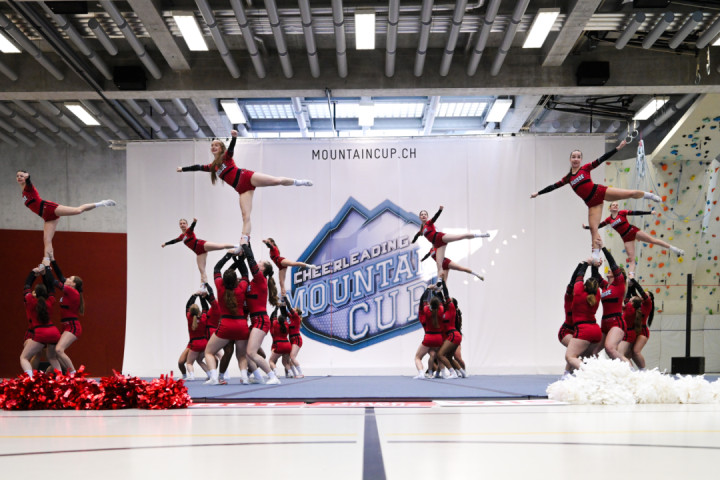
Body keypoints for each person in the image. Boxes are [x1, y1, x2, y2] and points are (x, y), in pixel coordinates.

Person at [530, 140, 661, 262]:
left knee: (629, 193)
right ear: (570, 159)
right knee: (594, 229)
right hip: (592, 204)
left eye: (578, 157)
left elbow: (601, 159)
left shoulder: (585, 168)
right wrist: (538, 193)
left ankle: (649, 195)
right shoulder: (568, 178)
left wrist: (618, 148)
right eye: (573, 157)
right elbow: (553, 186)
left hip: (600, 191)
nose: (576, 159)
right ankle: (595, 254)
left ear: (581, 160)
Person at [176, 130, 313, 243]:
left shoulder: (226, 157)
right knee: (245, 216)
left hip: (247, 177)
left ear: (221, 148)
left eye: (216, 145)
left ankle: (298, 181)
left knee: (276, 181)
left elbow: (231, 149)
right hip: (241, 190)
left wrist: (234, 138)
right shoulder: (212, 167)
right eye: (212, 145)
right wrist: (183, 169)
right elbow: (198, 167)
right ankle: (244, 241)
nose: (213, 147)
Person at [16, 170, 115, 262]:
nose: (19, 177)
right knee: (47, 240)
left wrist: (28, 177)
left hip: (48, 207)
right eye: (17, 176)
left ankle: (102, 203)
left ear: (26, 177)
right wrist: (25, 177)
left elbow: (28, 182)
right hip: (45, 216)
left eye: (22, 176)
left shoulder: (28, 188)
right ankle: (46, 263)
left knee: (78, 210)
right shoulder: (23, 192)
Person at [583, 202, 684, 276]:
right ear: (610, 208)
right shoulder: (608, 220)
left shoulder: (622, 212)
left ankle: (675, 249)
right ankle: (631, 277)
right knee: (631, 259)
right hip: (626, 238)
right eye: (613, 205)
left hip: (633, 231)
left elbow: (635, 212)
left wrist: (649, 212)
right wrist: (587, 227)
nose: (615, 206)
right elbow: (598, 226)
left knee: (653, 240)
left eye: (617, 205)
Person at [203, 252, 250, 385]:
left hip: (226, 325)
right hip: (241, 325)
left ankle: (214, 377)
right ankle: (245, 377)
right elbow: (245, 273)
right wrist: (239, 259)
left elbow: (217, 268)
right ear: (236, 280)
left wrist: (228, 255)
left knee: (209, 352)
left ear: (223, 280)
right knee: (241, 355)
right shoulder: (241, 287)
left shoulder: (220, 287)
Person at [239, 243, 281, 385]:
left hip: (261, 320)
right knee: (247, 352)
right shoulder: (254, 281)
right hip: (255, 320)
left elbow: (251, 260)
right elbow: (248, 263)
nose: (257, 263)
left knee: (251, 352)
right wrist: (245, 248)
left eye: (260, 263)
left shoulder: (260, 279)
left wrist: (245, 245)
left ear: (262, 269)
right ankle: (257, 376)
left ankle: (272, 376)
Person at [411, 206, 489, 279]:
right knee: (439, 264)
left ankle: (481, 235)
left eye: (425, 214)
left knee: (460, 237)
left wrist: (440, 210)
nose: (423, 215)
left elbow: (435, 218)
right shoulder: (422, 229)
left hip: (440, 237)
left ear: (427, 216)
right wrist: (413, 241)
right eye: (422, 215)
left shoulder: (429, 223)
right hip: (438, 245)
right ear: (419, 217)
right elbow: (417, 235)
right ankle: (439, 282)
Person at [162, 218, 236, 289]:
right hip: (198, 252)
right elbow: (174, 241)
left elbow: (192, 227)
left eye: (184, 223)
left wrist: (194, 222)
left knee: (220, 246)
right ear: (179, 225)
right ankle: (203, 287)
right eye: (181, 224)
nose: (182, 225)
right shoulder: (181, 237)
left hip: (201, 245)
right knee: (202, 271)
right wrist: (165, 243)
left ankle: (237, 246)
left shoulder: (189, 231)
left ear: (187, 224)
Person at [21, 263, 62, 377]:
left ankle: (30, 378)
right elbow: (51, 289)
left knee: (24, 357)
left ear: (35, 293)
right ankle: (61, 378)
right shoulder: (50, 301)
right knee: (50, 357)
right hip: (53, 332)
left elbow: (27, 286)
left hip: (39, 332)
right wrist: (44, 274)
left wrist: (33, 273)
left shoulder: (30, 301)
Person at [47, 255, 84, 375]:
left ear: (73, 284)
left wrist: (46, 267)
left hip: (73, 326)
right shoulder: (69, 289)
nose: (66, 278)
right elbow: (60, 276)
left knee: (59, 350)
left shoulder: (72, 292)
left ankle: (74, 375)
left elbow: (54, 281)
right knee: (54, 354)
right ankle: (57, 374)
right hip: (66, 325)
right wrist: (53, 260)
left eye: (70, 278)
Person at [564, 260, 602, 372]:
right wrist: (594, 265)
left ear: (584, 287)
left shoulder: (579, 294)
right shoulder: (597, 294)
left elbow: (579, 277)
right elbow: (594, 278)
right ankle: (598, 374)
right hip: (596, 331)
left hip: (584, 330)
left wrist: (585, 263)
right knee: (588, 357)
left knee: (570, 357)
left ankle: (590, 373)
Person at [597, 247, 629, 363]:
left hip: (616, 322)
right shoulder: (605, 286)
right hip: (604, 323)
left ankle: (630, 370)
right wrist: (595, 264)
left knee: (610, 348)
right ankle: (596, 371)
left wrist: (603, 248)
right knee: (593, 351)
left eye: (612, 270)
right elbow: (595, 276)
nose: (609, 270)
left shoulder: (619, 283)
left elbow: (613, 264)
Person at [619, 278, 654, 369]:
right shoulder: (638, 304)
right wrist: (630, 285)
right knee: (628, 354)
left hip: (642, 331)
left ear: (650, 298)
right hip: (634, 331)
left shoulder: (648, 304)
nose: (643, 295)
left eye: (646, 295)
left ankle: (643, 370)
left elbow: (641, 292)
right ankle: (632, 371)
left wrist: (634, 281)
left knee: (636, 352)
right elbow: (631, 295)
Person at [413, 283, 443, 379]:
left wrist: (428, 289)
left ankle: (421, 373)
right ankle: (441, 373)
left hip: (428, 338)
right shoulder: (441, 311)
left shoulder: (426, 312)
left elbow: (423, 301)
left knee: (418, 357)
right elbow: (441, 301)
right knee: (439, 356)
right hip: (439, 338)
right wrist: (438, 291)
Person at [436, 281, 463, 379]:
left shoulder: (451, 308)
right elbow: (441, 298)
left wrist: (443, 281)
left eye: (449, 300)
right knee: (449, 357)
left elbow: (446, 295)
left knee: (440, 354)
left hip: (453, 335)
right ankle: (463, 372)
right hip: (453, 335)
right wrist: (437, 290)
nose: (447, 300)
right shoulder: (445, 309)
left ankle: (453, 373)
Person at [184, 294, 209, 380]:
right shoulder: (204, 318)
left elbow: (187, 306)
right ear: (199, 311)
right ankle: (209, 374)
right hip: (204, 342)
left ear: (190, 312)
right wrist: (202, 297)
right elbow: (205, 308)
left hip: (195, 343)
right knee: (200, 360)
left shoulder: (189, 318)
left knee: (189, 363)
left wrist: (194, 296)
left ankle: (191, 376)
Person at [281, 296, 305, 378]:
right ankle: (295, 374)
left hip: (296, 339)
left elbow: (289, 307)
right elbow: (284, 312)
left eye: (294, 309)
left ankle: (301, 373)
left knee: (292, 357)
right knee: (290, 359)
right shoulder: (291, 317)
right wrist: (282, 302)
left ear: (296, 312)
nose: (293, 309)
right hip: (291, 339)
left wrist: (285, 299)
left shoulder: (296, 317)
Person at [268, 307, 292, 376]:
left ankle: (276, 373)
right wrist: (282, 307)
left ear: (278, 320)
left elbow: (274, 317)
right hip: (287, 345)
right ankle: (290, 373)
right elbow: (283, 317)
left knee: (271, 361)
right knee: (285, 362)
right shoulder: (286, 325)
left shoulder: (275, 324)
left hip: (279, 344)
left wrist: (276, 308)